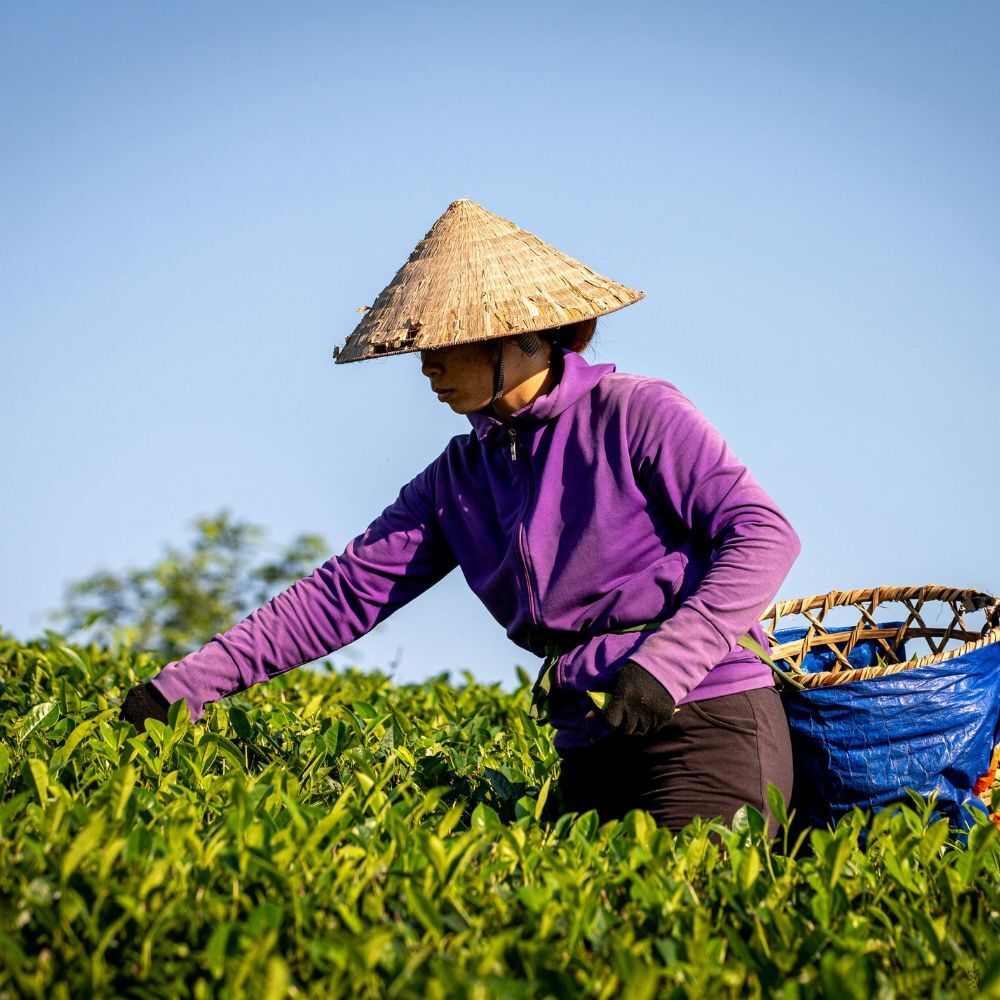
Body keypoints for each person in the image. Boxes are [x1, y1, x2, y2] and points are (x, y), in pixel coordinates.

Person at [119, 199, 800, 836]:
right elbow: (341, 595)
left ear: (518, 335)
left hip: (706, 716)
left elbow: (765, 535)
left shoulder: (633, 412)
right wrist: (179, 690)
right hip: (589, 738)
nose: (428, 367)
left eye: (447, 343)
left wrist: (664, 665)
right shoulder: (459, 477)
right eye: (422, 348)